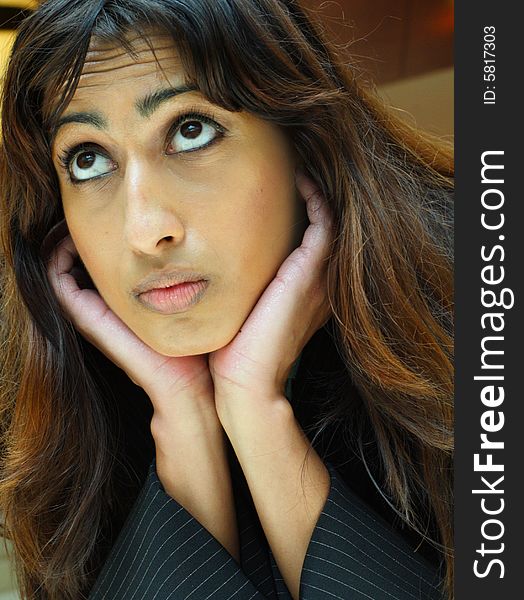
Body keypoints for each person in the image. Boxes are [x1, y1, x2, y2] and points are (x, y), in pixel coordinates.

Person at [0, 1, 454, 599]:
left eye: (191, 130)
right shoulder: (70, 411)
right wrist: (184, 421)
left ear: (304, 144)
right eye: (88, 158)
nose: (145, 229)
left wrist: (259, 419)